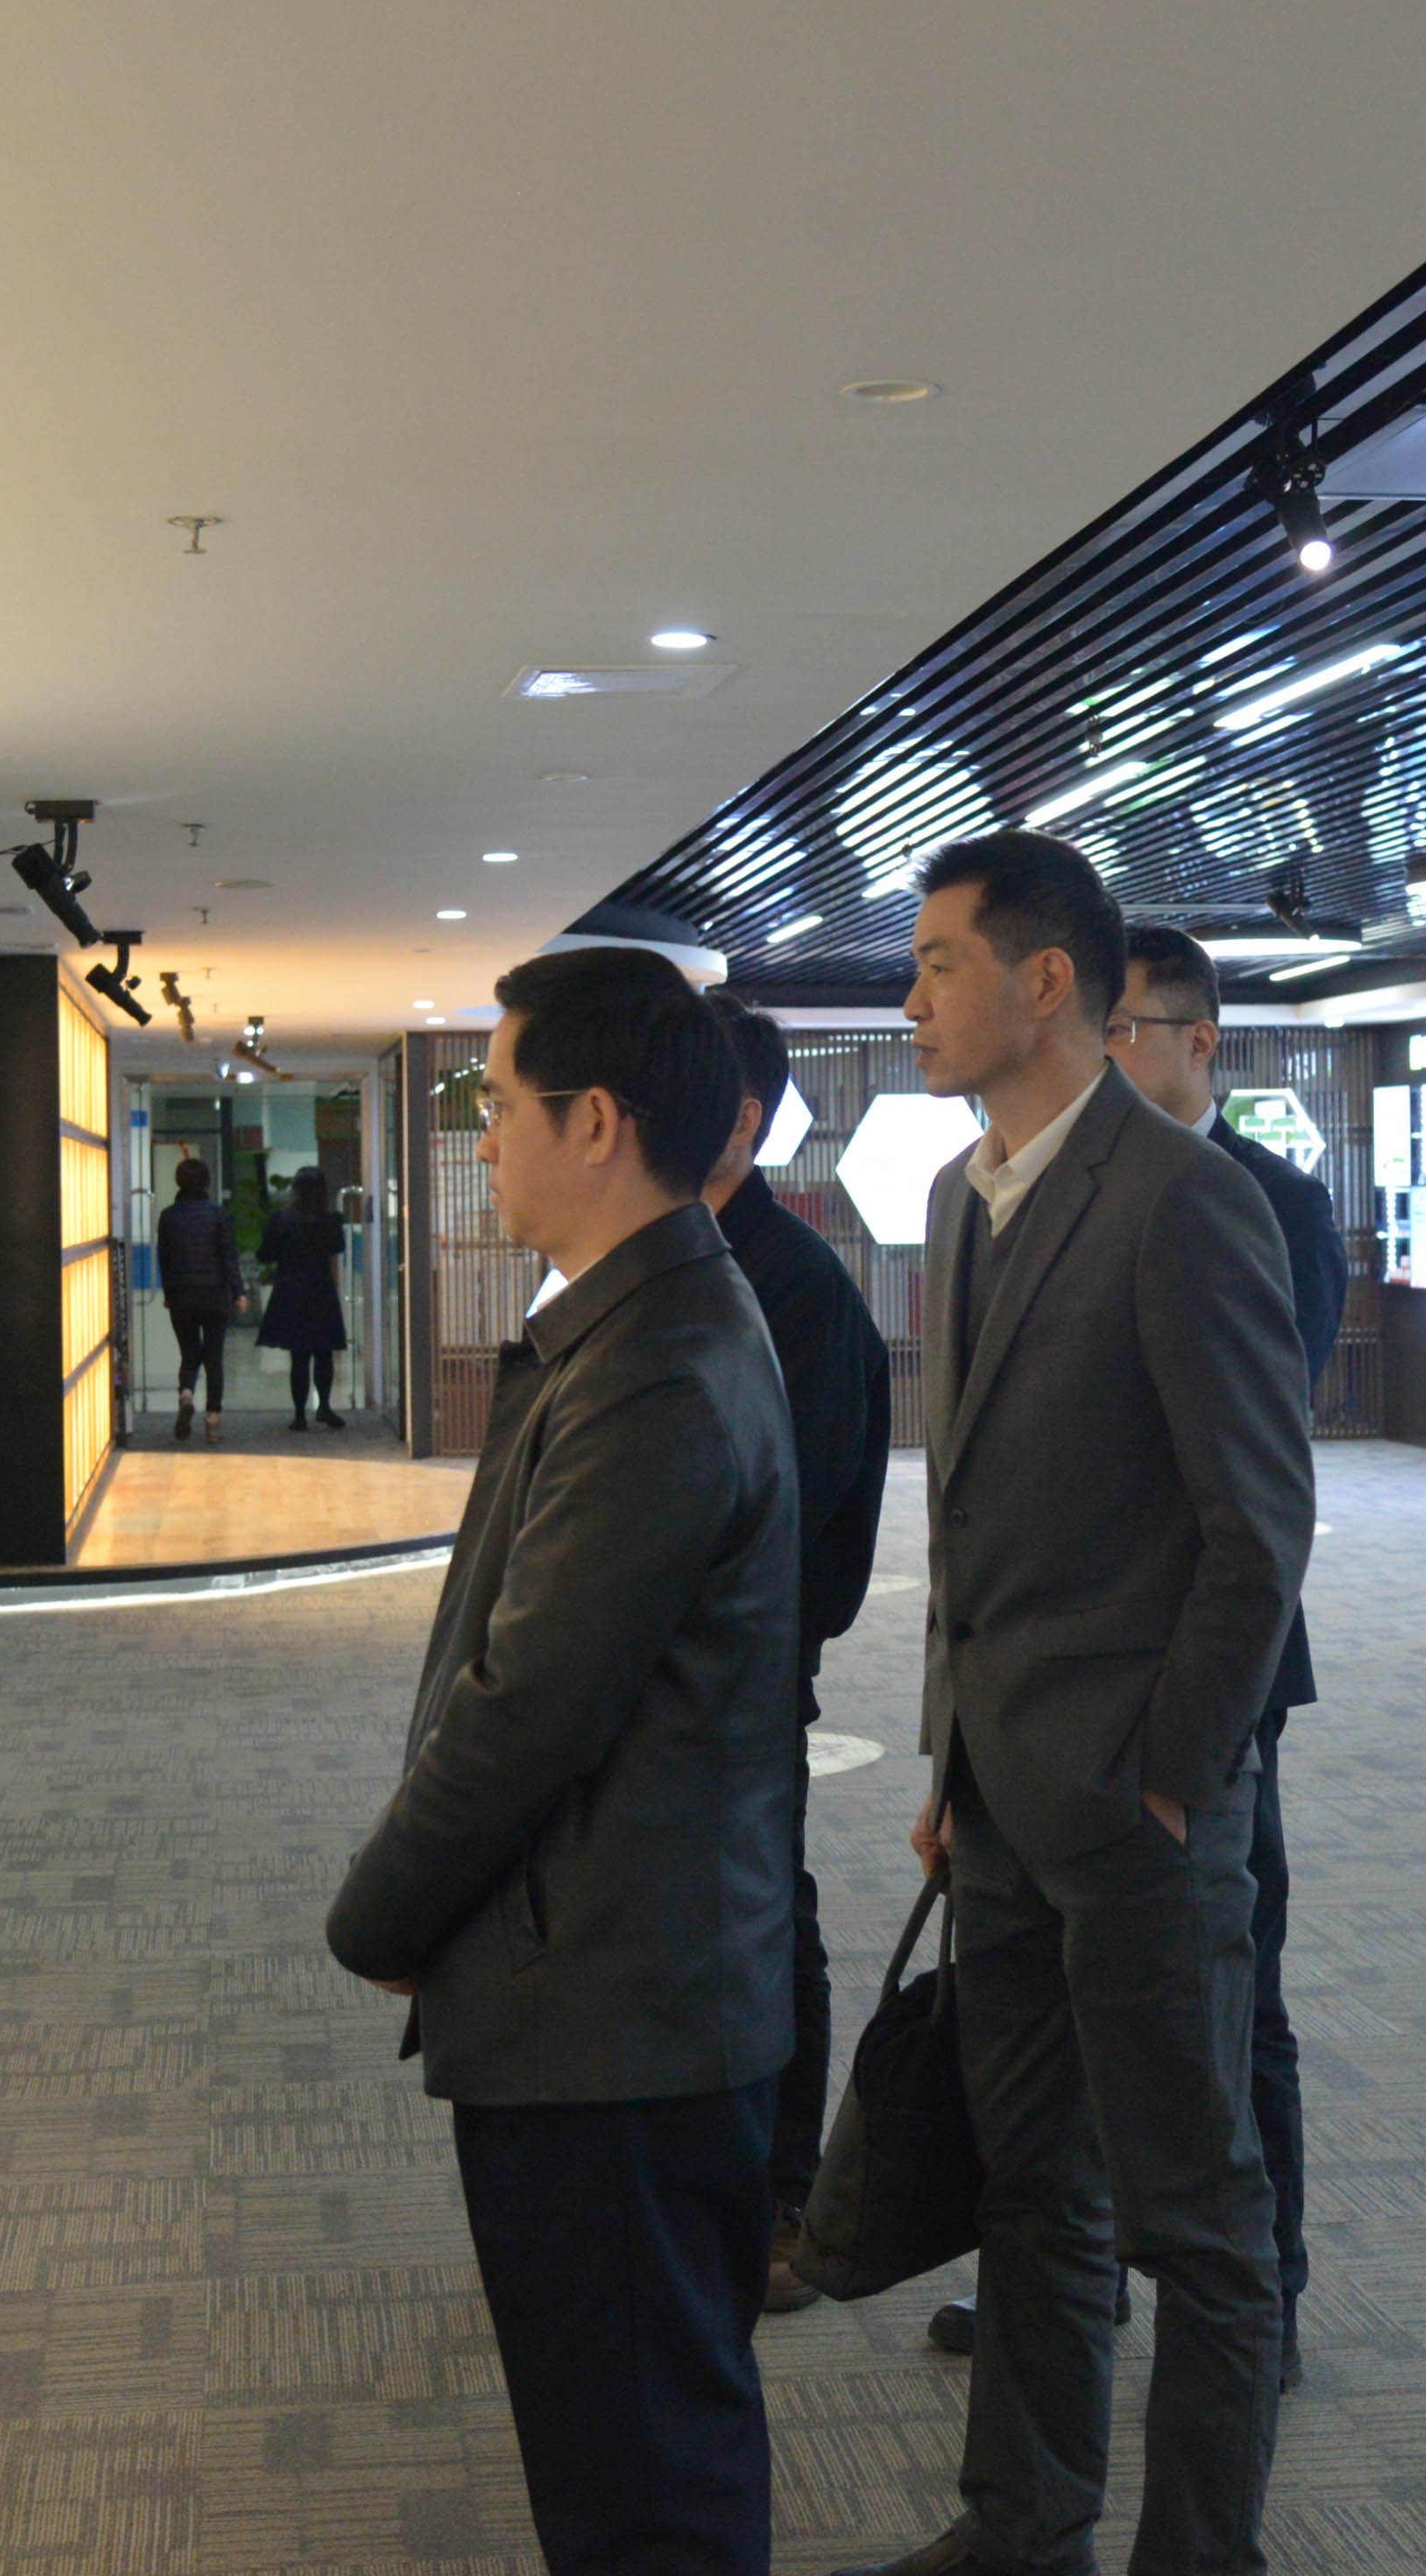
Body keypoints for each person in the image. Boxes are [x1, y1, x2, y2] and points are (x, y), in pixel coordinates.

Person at [842, 832, 1312, 2576]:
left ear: (1047, 981)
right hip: (1001, 1801)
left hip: (1137, 1812)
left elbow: (1256, 1531)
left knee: (1197, 2216)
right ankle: (1021, 2521)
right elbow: (964, 1518)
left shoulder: (1182, 1198)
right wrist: (950, 1755)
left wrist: (1175, 1778)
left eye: (937, 965)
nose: (910, 1000)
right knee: (1031, 2184)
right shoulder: (960, 1195)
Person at [324, 945, 804, 2576]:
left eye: (498, 1102)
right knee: (632, 2447)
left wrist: (383, 1913)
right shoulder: (637, 1320)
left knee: (643, 2481)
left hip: (620, 2011)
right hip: (618, 1987)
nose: (484, 1138)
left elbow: (532, 1702)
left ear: (595, 1121)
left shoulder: (657, 1359)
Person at [1045, 921, 1344, 2389]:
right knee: (1073, 1980)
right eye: (1096, 1032)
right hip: (1070, 1669)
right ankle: (1082, 2264)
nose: (1105, 1057)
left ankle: (1263, 2285)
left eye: (1127, 1031)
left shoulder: (1273, 1203)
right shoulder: (1058, 1191)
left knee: (1236, 1980)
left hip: (1215, 1665)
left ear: (1200, 1041)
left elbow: (1258, 1465)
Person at [698, 992, 894, 2313]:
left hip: (753, 1663)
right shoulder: (681, 1257)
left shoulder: (796, 1284)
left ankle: (788, 2195)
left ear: (741, 1121)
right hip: (683, 1665)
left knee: (772, 1913)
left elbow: (806, 1510)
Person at [257, 1161, 353, 1428]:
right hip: (321, 1291)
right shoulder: (332, 1221)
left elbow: (265, 1254)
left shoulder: (281, 1219)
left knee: (299, 1356)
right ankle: (324, 1407)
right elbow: (338, 1247)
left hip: (290, 1291)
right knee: (324, 1353)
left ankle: (300, 1415)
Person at [155, 1154, 242, 1443]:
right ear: (206, 1182)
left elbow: (164, 1259)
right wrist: (239, 1292)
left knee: (189, 1353)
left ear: (178, 1182)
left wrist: (169, 1294)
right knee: (214, 1356)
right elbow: (229, 1258)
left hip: (182, 1295)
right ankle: (213, 1420)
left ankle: (186, 1393)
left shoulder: (168, 1216)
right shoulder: (219, 1215)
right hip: (215, 1294)